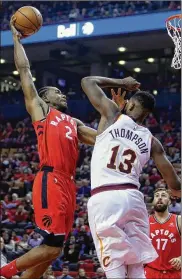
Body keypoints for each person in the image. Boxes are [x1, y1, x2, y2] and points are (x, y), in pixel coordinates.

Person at [0, 17, 96, 279]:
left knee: (55, 250)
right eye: (56, 92)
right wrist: (16, 41)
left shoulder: (73, 122)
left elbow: (101, 139)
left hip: (68, 182)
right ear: (44, 98)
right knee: (51, 243)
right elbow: (24, 70)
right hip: (50, 178)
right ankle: (5, 271)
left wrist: (117, 114)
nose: (62, 94)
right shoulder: (41, 110)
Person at [81, 76, 181, 279]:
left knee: (114, 264)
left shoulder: (112, 116)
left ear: (132, 103)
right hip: (134, 199)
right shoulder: (153, 142)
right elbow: (175, 185)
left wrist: (121, 84)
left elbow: (87, 81)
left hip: (106, 196)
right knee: (136, 264)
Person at [145, 188, 181, 279]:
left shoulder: (179, 220)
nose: (159, 198)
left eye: (163, 196)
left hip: (174, 272)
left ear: (169, 201)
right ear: (153, 201)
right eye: (157, 196)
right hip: (150, 271)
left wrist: (180, 258)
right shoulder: (145, 221)